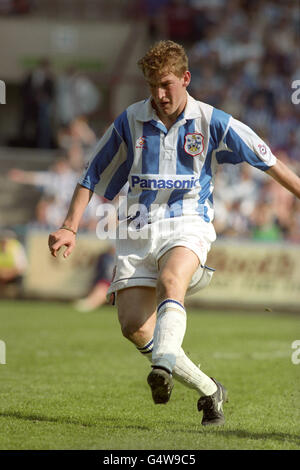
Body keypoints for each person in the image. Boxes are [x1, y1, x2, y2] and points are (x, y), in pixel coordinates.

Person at [48, 40, 300, 426]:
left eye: (166, 84)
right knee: (133, 327)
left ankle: (162, 366)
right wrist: (69, 226)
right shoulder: (130, 120)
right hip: (137, 229)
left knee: (171, 279)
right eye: (151, 86)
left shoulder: (211, 121)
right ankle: (210, 391)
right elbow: (92, 174)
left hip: (188, 224)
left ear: (185, 78)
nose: (159, 94)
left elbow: (268, 160)